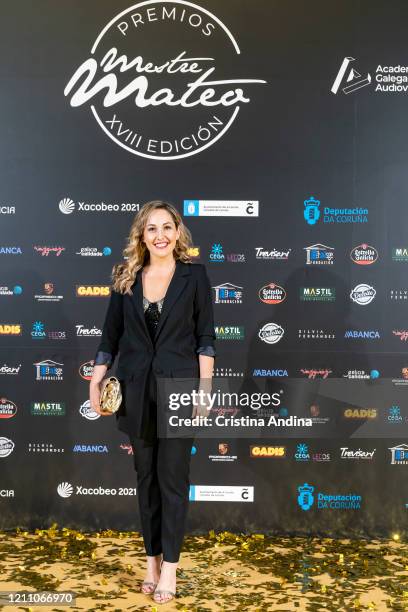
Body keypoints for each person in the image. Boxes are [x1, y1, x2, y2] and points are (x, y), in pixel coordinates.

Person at [89, 200, 216, 604]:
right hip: (136, 391)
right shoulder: (126, 278)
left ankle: (172, 570)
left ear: (178, 232)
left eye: (166, 227)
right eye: (151, 229)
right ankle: (151, 562)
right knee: (146, 482)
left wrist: (205, 388)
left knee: (173, 483)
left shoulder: (194, 277)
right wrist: (96, 381)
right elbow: (109, 337)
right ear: (141, 236)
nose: (160, 235)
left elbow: (206, 338)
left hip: (179, 391)